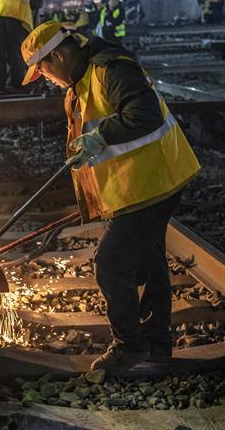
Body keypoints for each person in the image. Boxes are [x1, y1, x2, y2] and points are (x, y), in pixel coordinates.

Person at [20, 21, 200, 376]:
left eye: (42, 69)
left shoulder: (111, 69)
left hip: (152, 180)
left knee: (112, 262)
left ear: (58, 54)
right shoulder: (82, 79)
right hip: (140, 183)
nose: (44, 77)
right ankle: (157, 344)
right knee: (149, 261)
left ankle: (129, 346)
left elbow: (144, 115)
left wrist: (99, 137)